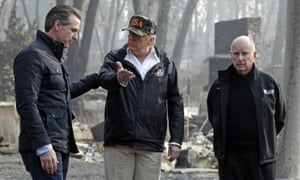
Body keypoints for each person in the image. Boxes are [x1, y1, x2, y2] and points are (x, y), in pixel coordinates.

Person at [14, 5, 100, 180]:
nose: (76, 37)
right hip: (45, 145)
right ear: (58, 25)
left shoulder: (52, 57)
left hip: (59, 143)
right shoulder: (32, 56)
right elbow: (26, 104)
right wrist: (43, 145)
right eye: (73, 30)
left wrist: (97, 79)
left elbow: (62, 93)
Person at [98, 15, 184, 180]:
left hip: (151, 144)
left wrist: (176, 140)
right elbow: (102, 78)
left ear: (151, 40)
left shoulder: (166, 64)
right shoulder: (116, 58)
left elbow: (176, 104)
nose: (131, 37)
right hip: (119, 142)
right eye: (130, 33)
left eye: (137, 35)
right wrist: (118, 79)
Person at [207, 35, 286, 180]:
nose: (240, 58)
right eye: (236, 54)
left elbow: (279, 119)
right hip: (230, 160)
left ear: (254, 55)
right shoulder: (219, 87)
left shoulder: (269, 84)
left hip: (261, 160)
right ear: (231, 56)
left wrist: (265, 139)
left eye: (245, 53)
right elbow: (214, 117)